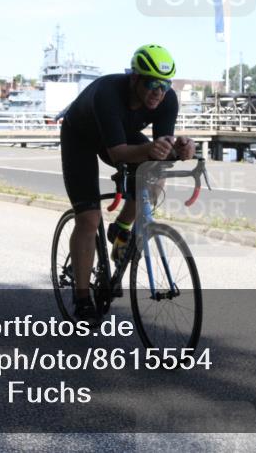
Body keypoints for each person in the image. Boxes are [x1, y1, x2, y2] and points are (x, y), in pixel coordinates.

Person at [59, 44, 196, 321]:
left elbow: (161, 151)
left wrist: (181, 149)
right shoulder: (109, 93)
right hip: (81, 138)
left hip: (119, 136)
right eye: (152, 84)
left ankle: (121, 227)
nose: (159, 91)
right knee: (89, 219)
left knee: (154, 177)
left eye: (165, 84)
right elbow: (117, 153)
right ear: (134, 78)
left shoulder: (167, 99)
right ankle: (83, 299)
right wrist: (151, 150)